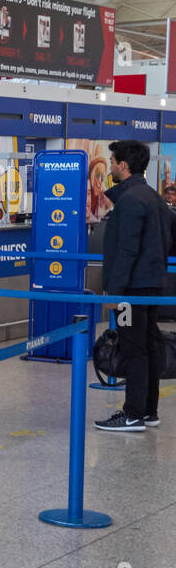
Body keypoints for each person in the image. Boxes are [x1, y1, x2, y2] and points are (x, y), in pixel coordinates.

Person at [95, 139, 172, 432]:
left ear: (123, 166)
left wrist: (114, 292)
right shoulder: (152, 197)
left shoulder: (129, 201)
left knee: (133, 348)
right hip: (152, 286)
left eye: (113, 162)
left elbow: (126, 250)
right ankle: (149, 410)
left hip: (132, 290)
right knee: (149, 345)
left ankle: (132, 414)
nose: (111, 166)